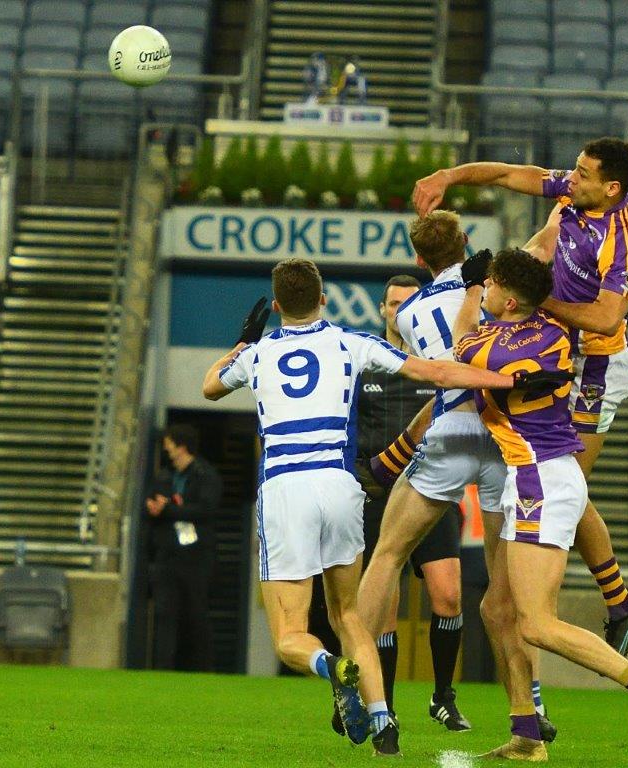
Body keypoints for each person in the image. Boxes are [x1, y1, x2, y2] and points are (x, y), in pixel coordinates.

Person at [201, 258, 560, 756]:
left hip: (286, 488)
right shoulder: (352, 342)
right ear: (324, 299)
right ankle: (383, 720)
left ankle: (332, 667)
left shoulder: (258, 354)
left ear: (278, 305)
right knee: (349, 612)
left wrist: (242, 344)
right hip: (341, 486)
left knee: (291, 635)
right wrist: (511, 382)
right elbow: (434, 370)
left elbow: (210, 386)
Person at [412, 137, 628, 654]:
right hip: (560, 353)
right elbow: (506, 178)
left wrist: (535, 297)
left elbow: (608, 318)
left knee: (567, 479)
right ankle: (616, 603)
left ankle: (606, 604)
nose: (572, 177)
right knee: (553, 471)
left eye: (584, 174)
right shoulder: (575, 196)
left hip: (596, 367)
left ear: (612, 188)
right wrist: (447, 176)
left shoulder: (624, 240)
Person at [449, 247, 628, 761]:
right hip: (537, 474)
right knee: (497, 609)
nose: (484, 290)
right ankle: (526, 735)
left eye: (490, 285)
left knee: (535, 622)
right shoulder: (550, 332)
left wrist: (469, 294)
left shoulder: (494, 344)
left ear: (507, 299)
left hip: (542, 480)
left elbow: (458, 352)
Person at [357, 212, 567, 742]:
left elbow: (440, 369)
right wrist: (557, 212)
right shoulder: (499, 284)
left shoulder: (409, 314)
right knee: (511, 594)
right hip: (506, 437)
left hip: (450, 430)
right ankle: (529, 710)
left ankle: (354, 678)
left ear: (420, 261)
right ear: (469, 244)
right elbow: (540, 249)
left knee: (386, 554)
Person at [352, 273, 475, 731]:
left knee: (448, 596)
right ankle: (385, 706)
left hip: (432, 492)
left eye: (408, 303)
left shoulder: (436, 364)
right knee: (386, 608)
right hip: (378, 498)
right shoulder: (366, 364)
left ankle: (443, 696)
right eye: (392, 303)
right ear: (384, 310)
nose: (399, 311)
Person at [144, 423, 222, 672]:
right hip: (167, 556)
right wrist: (155, 509)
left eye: (170, 445)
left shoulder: (205, 475)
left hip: (196, 558)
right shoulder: (165, 476)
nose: (167, 450)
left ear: (182, 446)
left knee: (195, 614)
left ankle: (201, 669)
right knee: (165, 614)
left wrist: (170, 509)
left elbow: (207, 509)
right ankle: (163, 670)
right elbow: (153, 503)